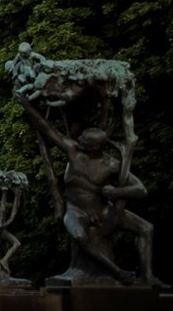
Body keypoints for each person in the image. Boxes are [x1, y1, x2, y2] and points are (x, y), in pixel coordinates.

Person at [19, 98, 159, 285]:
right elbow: (47, 128)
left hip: (104, 210)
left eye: (84, 142)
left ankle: (148, 277)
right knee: (78, 236)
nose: (79, 142)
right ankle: (116, 272)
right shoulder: (73, 152)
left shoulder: (111, 164)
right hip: (77, 210)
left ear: (97, 147)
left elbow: (141, 189)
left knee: (146, 228)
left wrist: (117, 192)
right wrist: (27, 105)